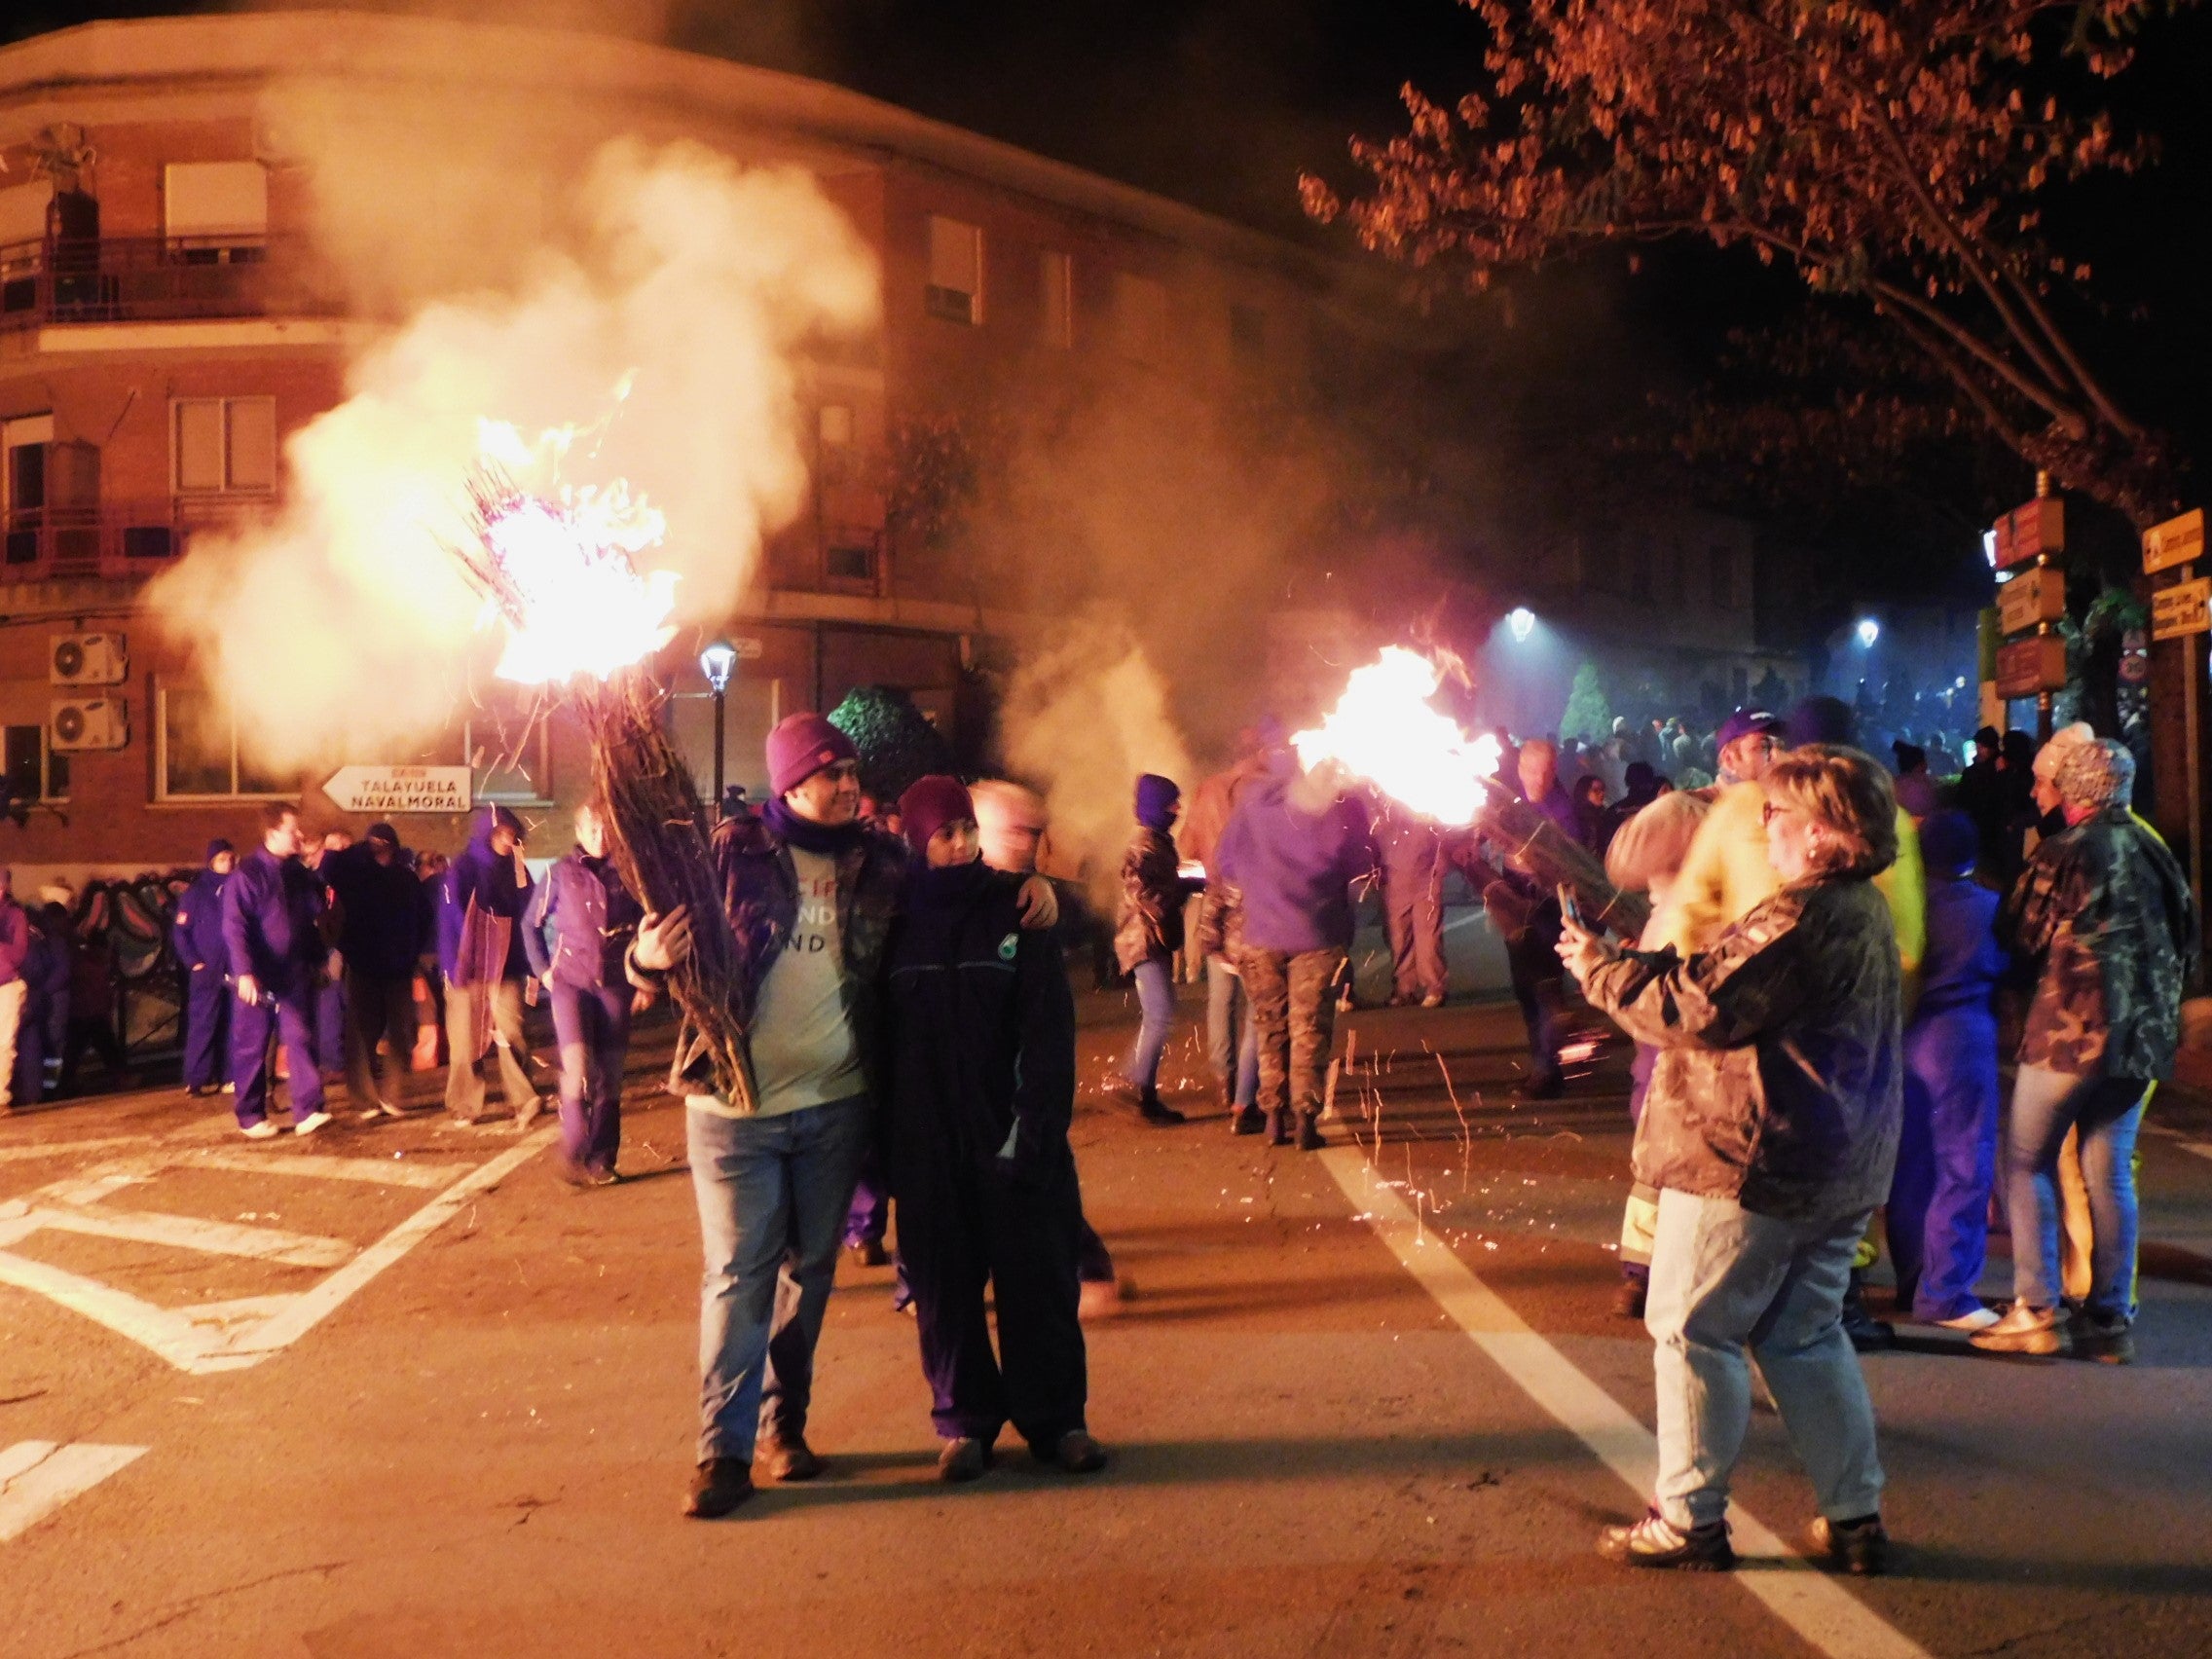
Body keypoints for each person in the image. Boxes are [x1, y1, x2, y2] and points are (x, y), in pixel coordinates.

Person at [646, 712, 1057, 1520]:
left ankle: (784, 1426)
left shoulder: (881, 860)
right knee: (739, 1274)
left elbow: (955, 888)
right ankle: (721, 1452)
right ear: (790, 782)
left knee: (809, 1276)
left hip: (835, 1105)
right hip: (735, 1109)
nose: (847, 785)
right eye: (830, 772)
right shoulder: (729, 852)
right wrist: (644, 958)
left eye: (851, 772)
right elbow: (656, 950)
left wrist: (1029, 889)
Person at [1560, 746, 1903, 1575]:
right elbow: (1722, 977)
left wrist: (1599, 972)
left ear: (1823, 832)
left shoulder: (1800, 913)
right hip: (1833, 1164)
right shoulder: (1858, 907)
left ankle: (1687, 1520)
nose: (1764, 826)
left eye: (1777, 813)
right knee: (1805, 1336)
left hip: (1750, 1161)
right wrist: (1630, 961)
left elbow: (1698, 1008)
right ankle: (1854, 1518)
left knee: (1692, 1331)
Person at [882, 775, 1105, 1483]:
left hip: (1012, 1134)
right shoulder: (892, 925)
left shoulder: (1018, 908)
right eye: (944, 834)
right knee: (945, 1295)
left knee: (1038, 1283)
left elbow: (1047, 1032)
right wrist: (890, 1149)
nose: (961, 844)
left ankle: (1057, 1421)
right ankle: (964, 1424)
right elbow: (880, 1040)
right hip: (929, 1147)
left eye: (967, 830)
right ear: (917, 840)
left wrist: (1032, 1128)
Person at [1974, 740, 2194, 1362]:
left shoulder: (2066, 851)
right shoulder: (2156, 850)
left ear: (2071, 792)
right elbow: (2187, 939)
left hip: (2069, 1034)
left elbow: (2020, 935)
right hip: (2142, 1041)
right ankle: (2110, 1319)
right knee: (2110, 1172)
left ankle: (2036, 1308)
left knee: (2026, 1161)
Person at [1213, 752, 1379, 1150]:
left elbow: (1225, 863)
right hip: (1317, 936)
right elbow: (1362, 865)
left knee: (1270, 1026)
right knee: (1309, 1031)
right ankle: (1305, 1120)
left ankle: (1273, 1117)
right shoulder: (1334, 810)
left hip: (1260, 935)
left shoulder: (1252, 803)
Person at [1885, 811, 2006, 1329]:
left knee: (1910, 1165)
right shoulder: (1987, 908)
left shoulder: (1903, 908)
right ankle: (1946, 1291)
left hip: (1907, 1036)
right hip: (1962, 1035)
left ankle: (1912, 1278)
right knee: (1963, 1163)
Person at [1600, 790, 1713, 1318]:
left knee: (1661, 1168)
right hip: (1667, 1056)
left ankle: (1646, 1273)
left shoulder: (1687, 903)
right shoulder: (1684, 902)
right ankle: (1649, 1274)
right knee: (1662, 1168)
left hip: (1670, 1054)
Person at [524, 801, 649, 1186]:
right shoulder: (560, 873)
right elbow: (530, 924)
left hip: (615, 984)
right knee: (578, 1067)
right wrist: (543, 971)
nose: (600, 836)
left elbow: (648, 927)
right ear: (579, 832)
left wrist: (646, 981)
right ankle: (574, 1144)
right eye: (592, 829)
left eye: (606, 828)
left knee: (610, 1075)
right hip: (571, 984)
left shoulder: (630, 873)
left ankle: (602, 1158)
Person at [221, 803, 334, 1139]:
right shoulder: (249, 874)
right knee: (252, 1045)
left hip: (293, 970)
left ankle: (308, 1110)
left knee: (300, 1037)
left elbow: (310, 919)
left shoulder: (297, 873)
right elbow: (235, 926)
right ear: (272, 833)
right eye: (292, 830)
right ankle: (250, 1115)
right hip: (259, 973)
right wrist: (244, 972)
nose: (299, 835)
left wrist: (316, 958)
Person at [1178, 731, 1277, 1107]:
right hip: (1255, 902)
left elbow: (1187, 848)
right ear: (1260, 752)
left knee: (1221, 997)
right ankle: (1248, 1090)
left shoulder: (1207, 790)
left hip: (1216, 901)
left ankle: (1224, 1076)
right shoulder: (1265, 788)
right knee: (1258, 998)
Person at [437, 805, 541, 1128]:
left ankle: (523, 1098)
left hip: (507, 965)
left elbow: (529, 910)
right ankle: (464, 1104)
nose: (507, 841)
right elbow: (454, 917)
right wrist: (459, 964)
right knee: (466, 1039)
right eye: (501, 834)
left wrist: (531, 961)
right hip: (468, 967)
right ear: (487, 834)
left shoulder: (517, 868)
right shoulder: (463, 868)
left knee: (512, 1031)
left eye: (511, 834)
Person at [324, 824, 425, 1119]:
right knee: (361, 1033)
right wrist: (358, 850)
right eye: (373, 843)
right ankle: (365, 1099)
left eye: (382, 843)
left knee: (402, 1032)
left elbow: (423, 917)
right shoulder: (356, 875)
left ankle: (392, 1093)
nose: (378, 847)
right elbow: (329, 869)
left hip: (398, 967)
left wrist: (411, 952)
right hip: (364, 965)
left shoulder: (405, 878)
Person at [1114, 773, 1192, 1124]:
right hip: (1142, 941)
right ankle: (1138, 1091)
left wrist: (1184, 884)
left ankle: (1137, 1086)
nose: (1177, 809)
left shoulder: (1156, 841)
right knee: (1160, 1014)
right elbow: (1140, 890)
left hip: (1148, 939)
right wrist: (1174, 898)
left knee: (1161, 1012)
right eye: (1171, 803)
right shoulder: (1145, 845)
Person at [173, 840, 235, 1098]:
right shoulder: (197, 893)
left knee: (231, 1023)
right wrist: (194, 962)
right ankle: (196, 1078)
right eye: (222, 859)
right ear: (211, 862)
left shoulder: (237, 887)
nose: (227, 863)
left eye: (230, 858)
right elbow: (181, 932)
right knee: (203, 1023)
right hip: (207, 970)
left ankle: (229, 1076)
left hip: (234, 968)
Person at [1377, 808, 1449, 1009]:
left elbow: (1443, 832)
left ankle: (1434, 987)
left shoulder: (1423, 802)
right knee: (1399, 935)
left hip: (1426, 874)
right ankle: (1405, 988)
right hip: (1395, 876)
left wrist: (1439, 867)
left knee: (1428, 934)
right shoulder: (1384, 803)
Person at [0, 868, 29, 1112]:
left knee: (3, 1043)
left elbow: (18, 954)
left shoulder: (14, 916)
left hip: (6, 985)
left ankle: (0, 1096)